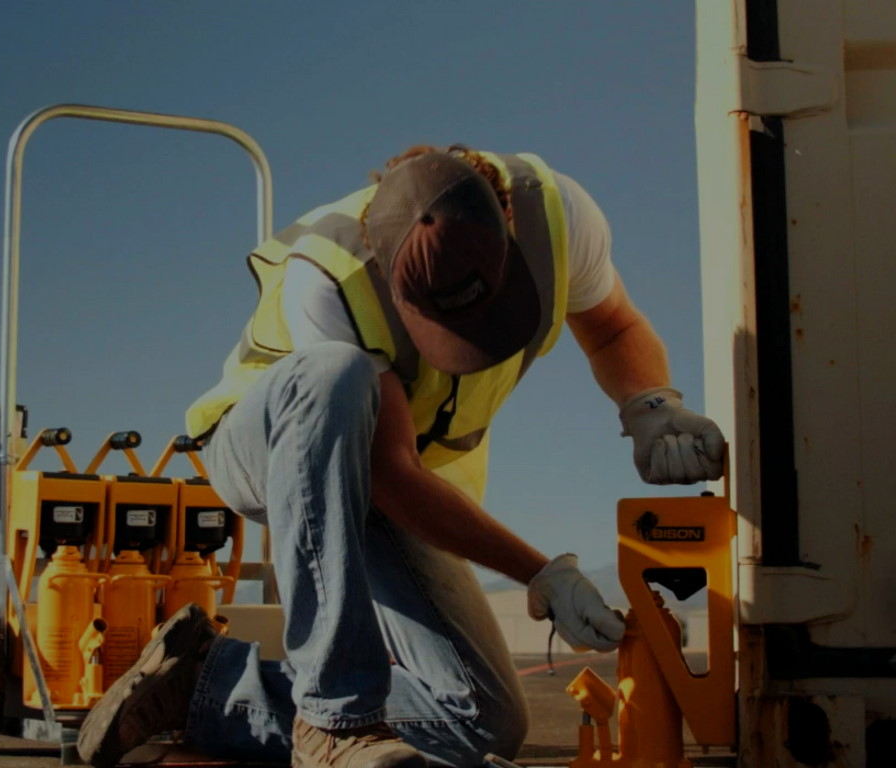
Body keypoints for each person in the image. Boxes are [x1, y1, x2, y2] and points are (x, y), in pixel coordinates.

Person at [77, 146, 727, 768]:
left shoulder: (559, 215)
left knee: (481, 722)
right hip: (272, 446)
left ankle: (205, 685)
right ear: (388, 269)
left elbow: (612, 324)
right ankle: (335, 722)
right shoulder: (328, 274)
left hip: (399, 485)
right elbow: (388, 472)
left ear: (506, 222)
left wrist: (652, 407)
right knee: (338, 373)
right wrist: (541, 574)